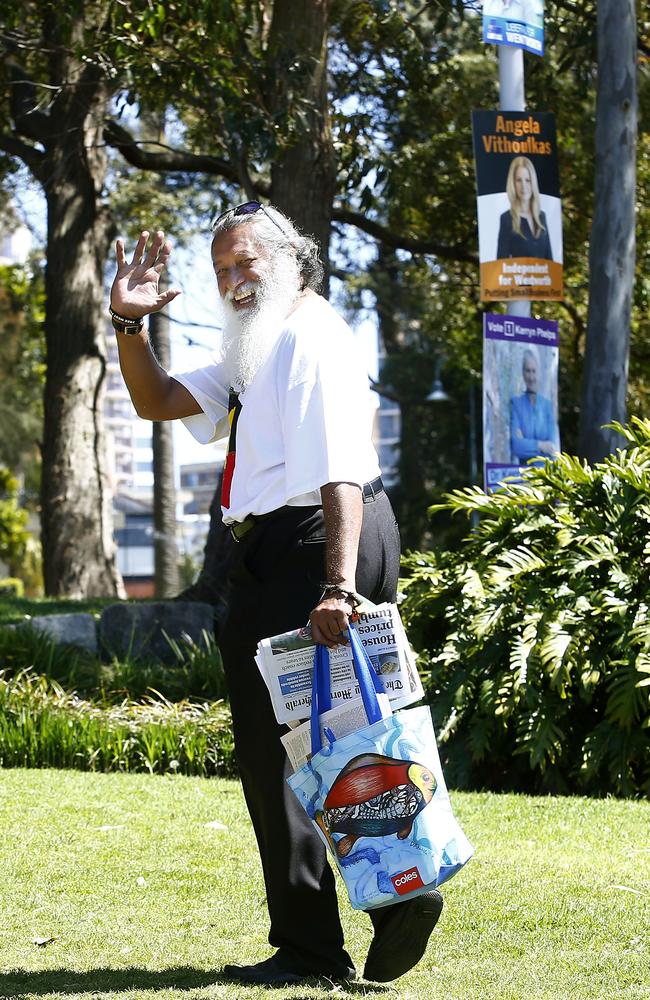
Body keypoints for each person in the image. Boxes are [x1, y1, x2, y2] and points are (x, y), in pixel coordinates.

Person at [108, 201, 443, 986]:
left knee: (302, 744)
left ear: (291, 260)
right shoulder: (251, 349)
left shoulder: (310, 332)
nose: (231, 280)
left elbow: (338, 464)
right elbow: (157, 401)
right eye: (220, 269)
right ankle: (380, 907)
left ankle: (331, 935)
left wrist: (335, 585)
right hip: (287, 547)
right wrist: (128, 326)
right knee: (324, 738)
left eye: (245, 264)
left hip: (321, 540)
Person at [496, 156, 553, 261]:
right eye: (519, 180)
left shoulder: (541, 217)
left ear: (533, 182)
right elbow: (501, 264)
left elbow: (549, 259)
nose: (524, 186)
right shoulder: (507, 219)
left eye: (528, 180)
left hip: (542, 276)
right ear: (513, 183)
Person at [510, 349, 560, 464]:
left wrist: (526, 443)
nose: (531, 377)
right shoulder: (516, 404)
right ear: (522, 373)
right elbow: (516, 446)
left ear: (539, 373)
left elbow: (552, 448)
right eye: (528, 371)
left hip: (545, 474)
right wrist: (541, 445)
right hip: (522, 475)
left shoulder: (547, 406)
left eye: (534, 371)